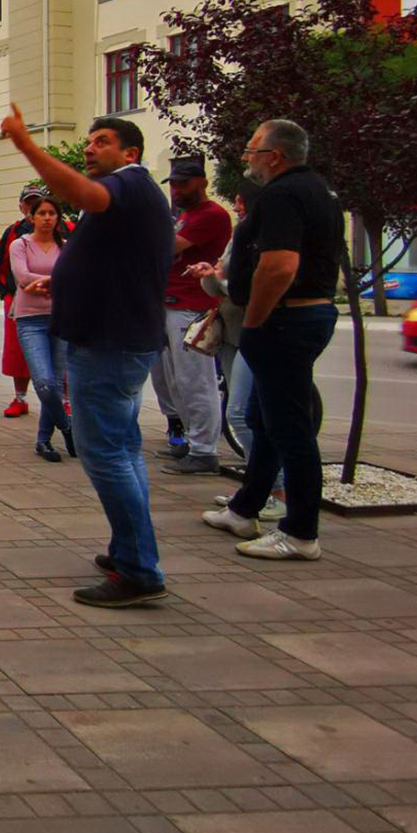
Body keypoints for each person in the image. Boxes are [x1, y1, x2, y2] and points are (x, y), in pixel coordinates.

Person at [1, 105, 173, 608]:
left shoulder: (128, 184)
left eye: (101, 142)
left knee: (106, 455)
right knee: (124, 449)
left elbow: (86, 195)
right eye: (90, 141)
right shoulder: (137, 194)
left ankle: (139, 570)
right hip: (117, 338)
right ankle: (129, 551)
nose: (91, 149)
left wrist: (26, 146)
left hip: (108, 343)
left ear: (130, 152)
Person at [202, 120, 343, 561]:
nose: (248, 159)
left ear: (275, 156)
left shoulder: (284, 194)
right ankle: (246, 508)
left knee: (291, 429)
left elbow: (278, 267)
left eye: (252, 150)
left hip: (286, 321)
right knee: (265, 420)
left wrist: (258, 319)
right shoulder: (316, 189)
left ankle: (301, 533)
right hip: (299, 317)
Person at [195, 182, 287, 520]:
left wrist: (219, 281)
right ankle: (258, 486)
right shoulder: (240, 236)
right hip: (233, 330)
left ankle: (276, 490)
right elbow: (221, 286)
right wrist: (209, 276)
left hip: (256, 328)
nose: (236, 207)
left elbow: (251, 287)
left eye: (240, 201)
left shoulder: (269, 238)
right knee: (243, 411)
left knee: (241, 414)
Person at [152, 156, 233, 476]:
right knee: (171, 380)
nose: (175, 189)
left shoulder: (211, 215)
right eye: (172, 183)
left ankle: (203, 450)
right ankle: (189, 439)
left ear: (202, 183)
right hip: (170, 303)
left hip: (192, 305)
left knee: (194, 380)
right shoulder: (186, 215)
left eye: (182, 183)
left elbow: (167, 248)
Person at [8, 195, 75, 462]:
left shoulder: (66, 247)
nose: (47, 218)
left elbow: (74, 277)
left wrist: (46, 282)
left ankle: (44, 440)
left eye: (52, 213)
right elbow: (22, 278)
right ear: (31, 217)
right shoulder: (20, 245)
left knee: (57, 383)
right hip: (30, 319)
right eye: (42, 213)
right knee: (44, 383)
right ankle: (68, 427)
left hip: (60, 317)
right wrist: (56, 281)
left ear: (58, 218)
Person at [0, 185, 49, 417]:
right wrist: (8, 294)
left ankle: (64, 400)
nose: (33, 208)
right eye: (29, 203)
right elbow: (1, 267)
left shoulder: (60, 232)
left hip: (52, 298)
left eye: (37, 202)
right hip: (18, 300)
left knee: (59, 352)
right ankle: (20, 398)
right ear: (21, 206)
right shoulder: (14, 233)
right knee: (17, 351)